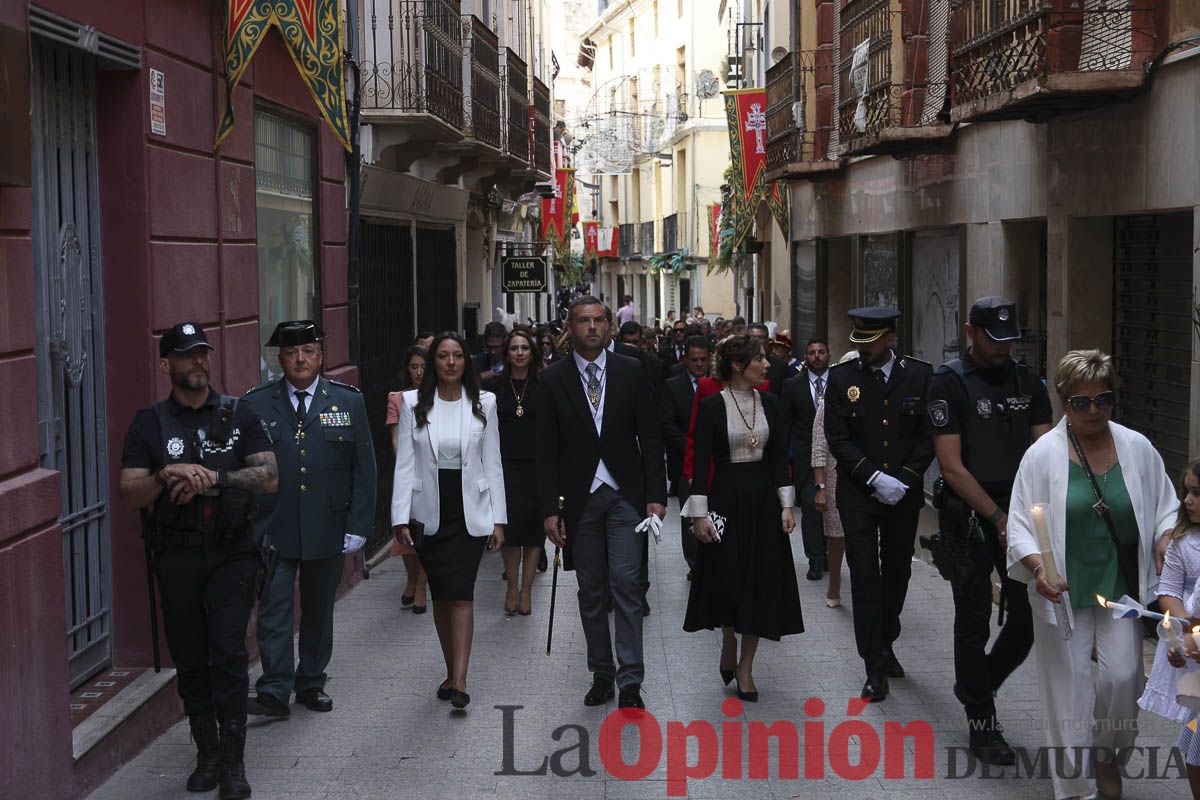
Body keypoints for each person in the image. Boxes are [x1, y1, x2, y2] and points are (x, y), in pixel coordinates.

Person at [1007, 349, 1177, 800]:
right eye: (1082, 403)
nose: (1094, 411)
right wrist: (1038, 567)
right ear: (1064, 402)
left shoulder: (1137, 448)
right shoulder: (1041, 456)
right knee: (1068, 691)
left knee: (1124, 678)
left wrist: (1163, 539)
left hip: (1120, 589)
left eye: (1103, 400)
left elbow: (1166, 509)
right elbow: (1020, 525)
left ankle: (1108, 755)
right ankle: (1076, 789)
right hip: (1061, 589)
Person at [119, 322, 278, 800]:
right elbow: (130, 492)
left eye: (203, 354)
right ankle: (205, 751)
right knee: (189, 656)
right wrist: (166, 474)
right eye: (187, 356)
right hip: (177, 554)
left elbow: (269, 476)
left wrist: (214, 479)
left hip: (232, 553)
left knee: (228, 652)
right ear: (166, 365)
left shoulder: (238, 414)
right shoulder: (148, 423)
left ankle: (233, 762)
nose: (199, 363)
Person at [924, 296, 1052, 764]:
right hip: (972, 515)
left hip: (1021, 511)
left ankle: (978, 685)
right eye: (994, 339)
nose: (1003, 349)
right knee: (974, 618)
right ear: (970, 332)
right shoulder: (949, 382)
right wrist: (997, 520)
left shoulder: (1028, 381)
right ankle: (982, 722)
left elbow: (1046, 451)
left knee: (1026, 618)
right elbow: (951, 466)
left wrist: (1028, 516)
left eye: (1010, 340)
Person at [537, 295, 666, 709]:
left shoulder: (631, 370)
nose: (591, 327)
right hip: (577, 499)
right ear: (569, 330)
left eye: (598, 320)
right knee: (591, 589)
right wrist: (548, 511)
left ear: (609, 325)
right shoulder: (553, 378)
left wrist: (656, 497)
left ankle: (631, 680)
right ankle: (602, 673)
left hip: (625, 494)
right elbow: (547, 449)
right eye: (582, 321)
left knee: (627, 584)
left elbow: (650, 436)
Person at [244, 321, 377, 718]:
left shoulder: (347, 401)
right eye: (291, 353)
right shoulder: (255, 403)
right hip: (274, 526)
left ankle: (312, 681)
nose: (300, 359)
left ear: (321, 356)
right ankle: (274, 687)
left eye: (308, 351)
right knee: (274, 608)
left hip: (328, 524)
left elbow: (363, 468)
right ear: (280, 358)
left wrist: (359, 525)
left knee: (319, 610)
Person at [684, 334, 803, 702]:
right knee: (728, 580)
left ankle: (746, 667)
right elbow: (701, 464)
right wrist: (699, 516)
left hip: (763, 501)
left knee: (760, 583)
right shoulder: (711, 406)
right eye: (760, 359)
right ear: (738, 365)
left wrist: (786, 505)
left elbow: (780, 458)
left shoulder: (770, 402)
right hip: (725, 498)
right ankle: (729, 640)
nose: (767, 365)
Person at [823, 308, 933, 702]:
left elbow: (928, 435)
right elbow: (838, 437)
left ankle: (886, 641)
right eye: (858, 342)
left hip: (903, 495)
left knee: (898, 573)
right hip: (858, 495)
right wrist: (873, 477)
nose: (862, 350)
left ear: (890, 339)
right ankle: (874, 665)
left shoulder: (920, 376)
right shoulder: (841, 378)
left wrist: (903, 479)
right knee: (866, 576)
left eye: (870, 343)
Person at [392, 332, 507, 710]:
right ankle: (449, 670)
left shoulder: (484, 403)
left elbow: (493, 462)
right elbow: (405, 464)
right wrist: (399, 518)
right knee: (442, 594)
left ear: (466, 362)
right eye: (443, 356)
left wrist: (499, 520)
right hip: (428, 509)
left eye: (458, 355)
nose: (451, 362)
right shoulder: (412, 403)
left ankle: (460, 680)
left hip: (470, 508)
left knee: (461, 592)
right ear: (433, 362)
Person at [1145, 461, 1200, 799]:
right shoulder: (1183, 542)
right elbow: (1168, 590)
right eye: (1187, 491)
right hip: (1195, 647)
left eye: (1197, 493)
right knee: (1194, 734)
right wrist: (1185, 634)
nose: (1188, 500)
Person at [484, 328, 545, 616]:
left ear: (531, 354)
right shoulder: (494, 387)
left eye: (524, 348)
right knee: (510, 529)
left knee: (533, 532)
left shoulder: (543, 385)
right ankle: (511, 586)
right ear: (506, 354)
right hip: (505, 467)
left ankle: (527, 590)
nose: (520, 353)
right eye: (514, 348)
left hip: (536, 467)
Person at [781, 338, 832, 581]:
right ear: (805, 356)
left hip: (835, 458)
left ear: (829, 355)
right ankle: (815, 559)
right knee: (812, 508)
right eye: (812, 353)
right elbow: (785, 425)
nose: (817, 356)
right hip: (805, 459)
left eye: (821, 352)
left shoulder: (841, 384)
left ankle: (831, 555)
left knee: (831, 507)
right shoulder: (792, 386)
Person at [660, 335, 710, 575]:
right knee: (690, 514)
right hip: (685, 463)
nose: (699, 364)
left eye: (703, 359)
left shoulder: (718, 385)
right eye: (694, 359)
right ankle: (695, 563)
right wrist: (693, 448)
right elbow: (667, 425)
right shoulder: (672, 386)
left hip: (715, 462)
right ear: (685, 360)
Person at [386, 346, 429, 613]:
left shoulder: (438, 395)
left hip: (432, 473)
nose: (419, 372)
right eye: (414, 367)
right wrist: (406, 465)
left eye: (424, 367)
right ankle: (412, 578)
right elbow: (395, 437)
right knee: (405, 529)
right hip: (407, 472)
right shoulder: (398, 398)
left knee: (427, 531)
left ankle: (422, 586)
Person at [811, 366, 846, 608]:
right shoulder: (829, 404)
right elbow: (819, 447)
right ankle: (834, 584)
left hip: (866, 479)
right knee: (836, 536)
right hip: (834, 478)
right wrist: (820, 485)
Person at [746, 323, 788, 394]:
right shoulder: (739, 363)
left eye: (761, 337)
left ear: (768, 340)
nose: (756, 340)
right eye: (752, 337)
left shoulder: (780, 366)